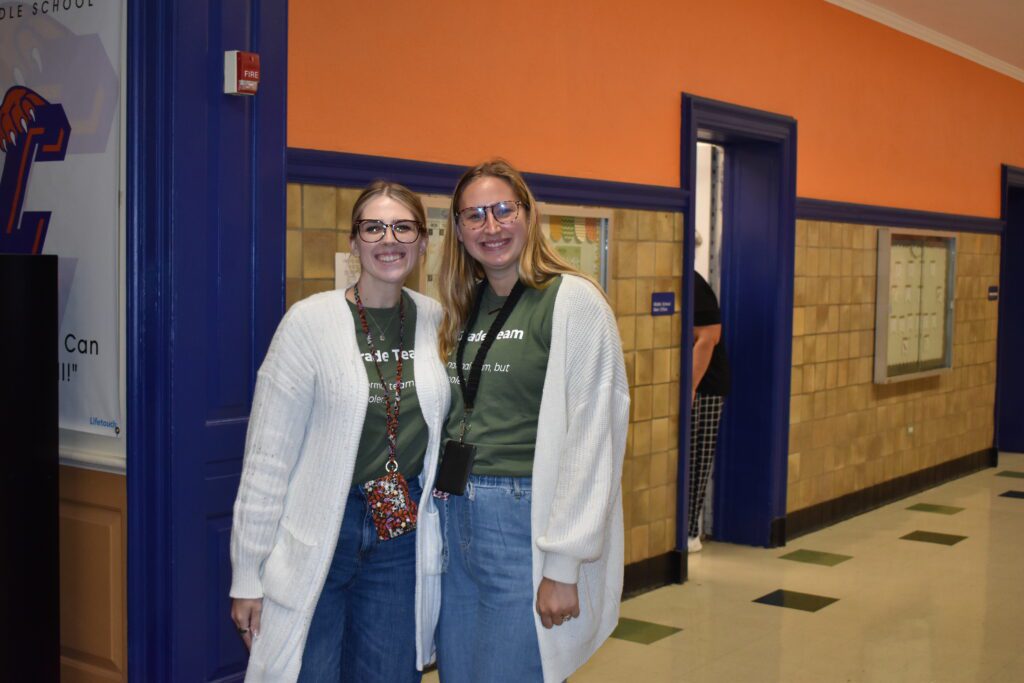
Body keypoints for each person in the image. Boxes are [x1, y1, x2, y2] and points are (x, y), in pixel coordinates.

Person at [229, 181, 450, 681]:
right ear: (354, 242)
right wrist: (247, 572)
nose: (388, 240)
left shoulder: (435, 322)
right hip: (319, 530)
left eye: (403, 228)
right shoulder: (309, 323)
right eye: (373, 227)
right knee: (308, 671)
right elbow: (268, 458)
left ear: (422, 241)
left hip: (400, 534)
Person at [434, 159, 630, 682]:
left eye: (503, 211)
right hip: (456, 514)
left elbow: (595, 437)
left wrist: (563, 567)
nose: (491, 227)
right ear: (456, 228)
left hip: (522, 519)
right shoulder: (461, 307)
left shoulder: (573, 301)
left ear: (529, 215)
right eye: (474, 215)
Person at [687, 270, 731, 553]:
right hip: (695, 385)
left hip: (706, 386)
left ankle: (690, 532)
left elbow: (709, 336)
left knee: (696, 460)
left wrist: (690, 387)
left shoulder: (694, 284)